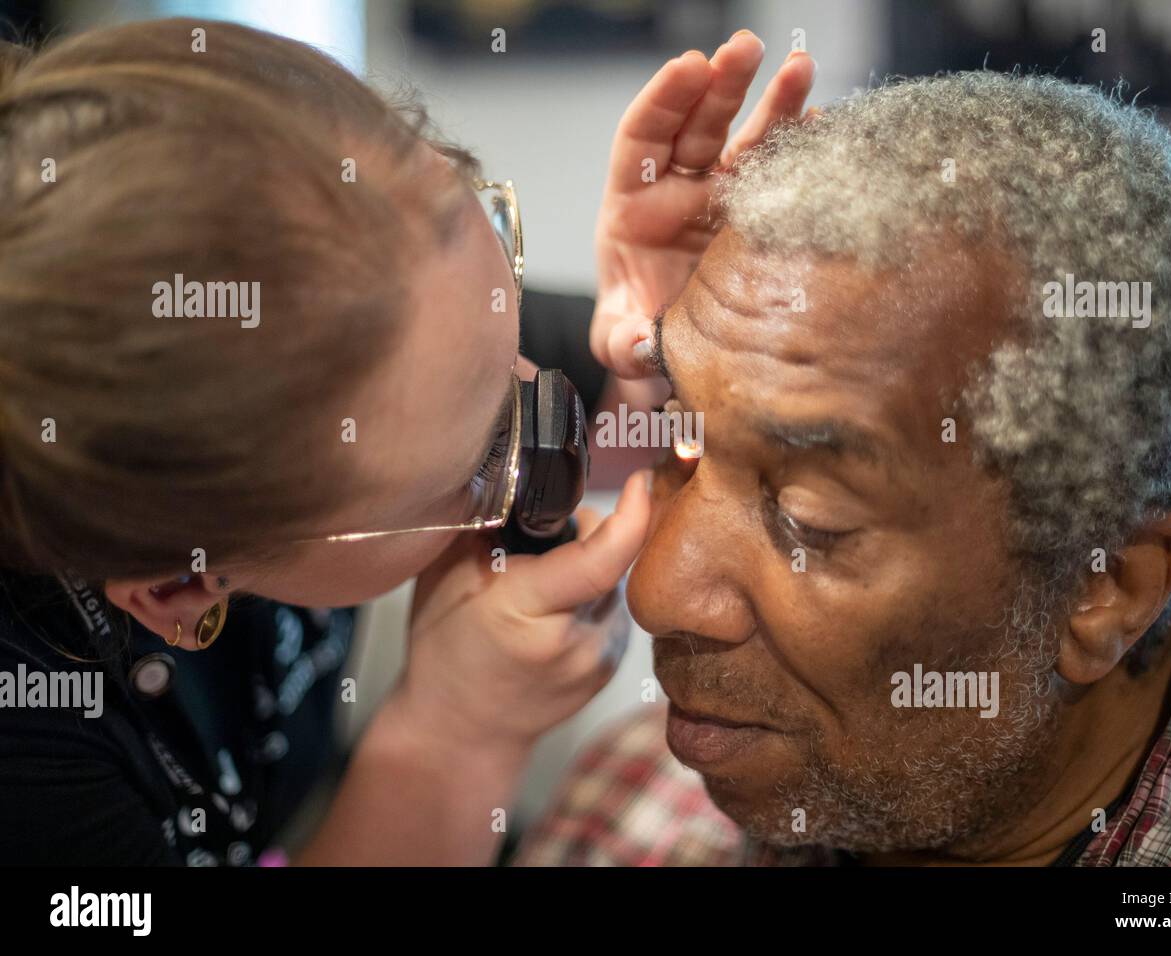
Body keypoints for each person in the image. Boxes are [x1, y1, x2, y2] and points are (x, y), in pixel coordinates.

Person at [0, 18, 815, 865]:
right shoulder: (30, 771)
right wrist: (454, 738)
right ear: (180, 586)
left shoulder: (396, 313)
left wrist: (659, 338)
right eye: (480, 467)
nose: (540, 393)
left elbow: (618, 428)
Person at [518, 71, 1171, 866]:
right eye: (681, 442)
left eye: (809, 519)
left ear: (1105, 587)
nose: (654, 593)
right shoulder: (636, 803)